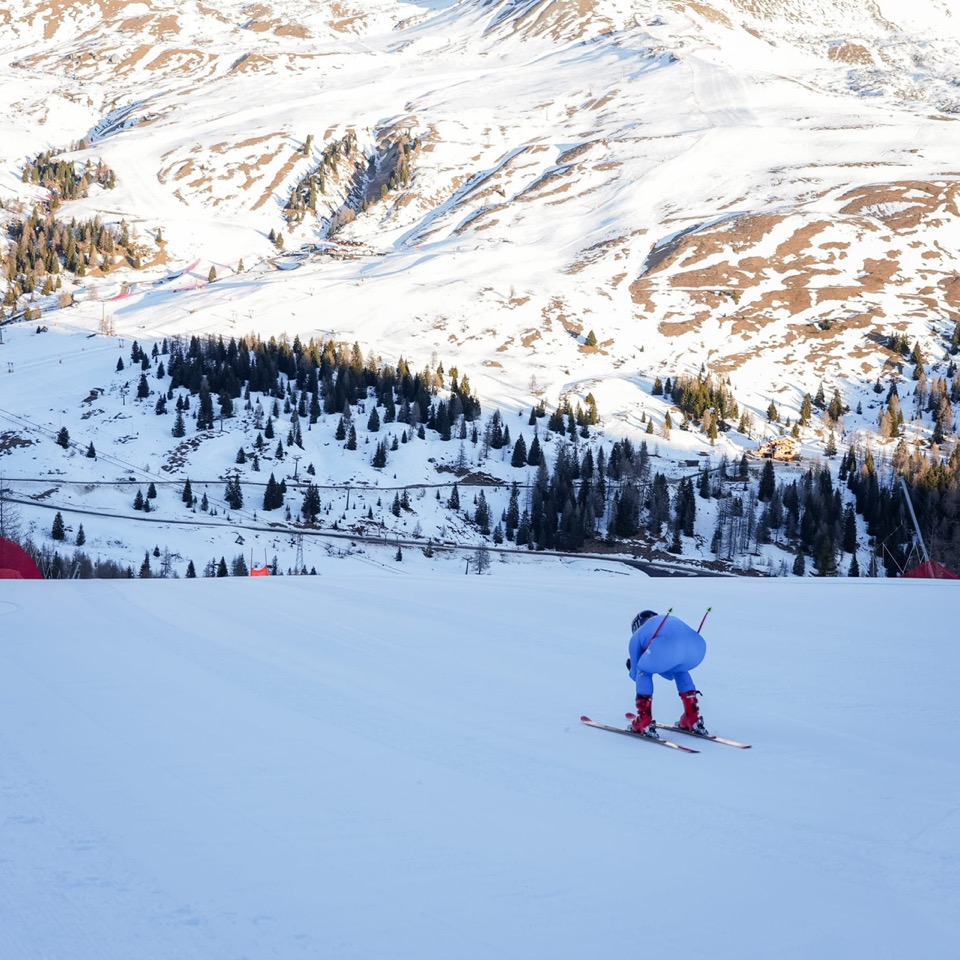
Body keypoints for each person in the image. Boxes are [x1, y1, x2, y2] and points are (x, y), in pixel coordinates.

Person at [626, 609, 707, 736]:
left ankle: (644, 720)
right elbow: (669, 672)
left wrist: (631, 668)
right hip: (697, 648)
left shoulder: (637, 636)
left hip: (668, 648)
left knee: (643, 670)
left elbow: (637, 674)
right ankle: (692, 717)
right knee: (680, 670)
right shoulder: (664, 622)